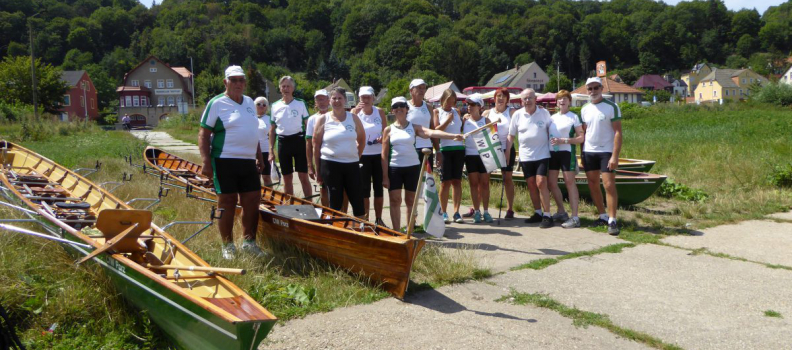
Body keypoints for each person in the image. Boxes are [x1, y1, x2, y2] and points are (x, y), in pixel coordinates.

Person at [198, 65, 267, 260]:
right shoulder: (217, 103)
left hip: (247, 162)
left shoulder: (249, 102)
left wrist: (259, 157)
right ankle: (227, 245)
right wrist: (206, 162)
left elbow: (252, 131)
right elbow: (204, 134)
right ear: (225, 82)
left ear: (245, 82)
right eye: (233, 80)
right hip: (224, 160)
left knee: (252, 201)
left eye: (241, 80)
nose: (238, 83)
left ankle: (249, 242)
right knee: (227, 202)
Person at [381, 97, 464, 231]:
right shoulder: (388, 130)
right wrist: (385, 176)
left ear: (407, 109)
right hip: (394, 168)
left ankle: (409, 231)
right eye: (395, 106)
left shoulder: (414, 128)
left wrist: (453, 136)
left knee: (410, 201)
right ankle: (396, 232)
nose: (399, 108)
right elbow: (384, 155)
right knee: (395, 200)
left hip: (412, 167)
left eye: (402, 105)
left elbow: (432, 132)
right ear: (392, 110)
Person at [312, 87, 366, 217]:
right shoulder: (323, 119)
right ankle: (336, 228)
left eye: (340, 98)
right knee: (335, 202)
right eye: (334, 98)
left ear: (345, 100)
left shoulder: (353, 118)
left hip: (351, 164)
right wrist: (317, 170)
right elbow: (316, 144)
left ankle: (360, 230)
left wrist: (356, 156)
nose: (337, 101)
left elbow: (362, 139)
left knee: (357, 200)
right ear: (330, 100)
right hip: (330, 164)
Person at [580, 77, 623, 235]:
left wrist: (615, 156)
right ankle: (602, 215)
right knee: (592, 184)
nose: (593, 91)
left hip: (606, 151)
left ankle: (612, 220)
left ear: (601, 88)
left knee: (609, 185)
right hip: (589, 151)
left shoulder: (612, 107)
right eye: (590, 89)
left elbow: (618, 132)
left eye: (596, 88)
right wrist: (581, 153)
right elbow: (584, 132)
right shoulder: (584, 109)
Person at [507, 88, 553, 228]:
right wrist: (507, 151)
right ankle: (538, 212)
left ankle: (547, 215)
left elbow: (552, 131)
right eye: (525, 99)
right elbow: (511, 135)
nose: (527, 101)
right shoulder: (517, 115)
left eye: (530, 98)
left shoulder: (544, 113)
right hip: (526, 156)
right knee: (531, 184)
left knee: (541, 183)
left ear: (535, 99)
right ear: (521, 101)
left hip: (542, 154)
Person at [269, 76, 313, 198]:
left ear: (293, 88)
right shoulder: (275, 106)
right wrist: (270, 150)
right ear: (280, 88)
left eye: (288, 86)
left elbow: (307, 124)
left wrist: (311, 144)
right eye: (283, 86)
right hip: (283, 142)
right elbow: (272, 129)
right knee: (287, 177)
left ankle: (310, 204)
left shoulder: (300, 103)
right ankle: (290, 206)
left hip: (299, 141)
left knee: (303, 176)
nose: (286, 89)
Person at [547, 90, 585, 228]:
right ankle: (562, 211)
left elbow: (581, 138)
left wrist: (564, 140)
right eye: (559, 99)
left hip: (567, 153)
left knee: (570, 183)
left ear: (569, 101)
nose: (562, 101)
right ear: (556, 102)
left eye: (565, 99)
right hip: (552, 154)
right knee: (551, 183)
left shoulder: (573, 117)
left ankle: (575, 217)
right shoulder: (551, 118)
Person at [351, 86, 387, 226]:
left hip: (378, 155)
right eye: (363, 97)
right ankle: (365, 220)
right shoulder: (355, 113)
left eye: (368, 97)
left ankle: (378, 219)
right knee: (364, 190)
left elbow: (385, 131)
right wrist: (355, 112)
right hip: (362, 154)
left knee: (378, 188)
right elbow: (351, 131)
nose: (365, 100)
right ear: (359, 98)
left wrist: (381, 137)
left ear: (373, 98)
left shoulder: (380, 112)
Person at [482, 87, 517, 219]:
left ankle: (510, 209)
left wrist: (507, 150)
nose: (501, 98)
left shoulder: (512, 112)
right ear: (494, 98)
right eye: (498, 96)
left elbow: (513, 132)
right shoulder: (487, 113)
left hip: (506, 148)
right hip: (491, 148)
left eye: (503, 96)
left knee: (507, 179)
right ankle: (483, 209)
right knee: (485, 179)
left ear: (507, 99)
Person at [432, 89, 465, 224]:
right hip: (445, 149)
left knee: (457, 181)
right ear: (444, 99)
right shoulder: (437, 111)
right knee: (445, 182)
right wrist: (447, 120)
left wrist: (464, 119)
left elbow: (460, 129)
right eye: (449, 101)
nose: (451, 103)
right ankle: (443, 212)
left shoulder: (456, 111)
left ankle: (456, 212)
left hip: (459, 149)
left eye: (453, 101)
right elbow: (435, 130)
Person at [462, 94, 493, 223]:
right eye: (468, 104)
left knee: (485, 184)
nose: (469, 107)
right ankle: (477, 211)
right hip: (470, 155)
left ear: (480, 107)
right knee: (473, 184)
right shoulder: (465, 120)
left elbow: (493, 139)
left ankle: (486, 211)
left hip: (484, 155)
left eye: (473, 104)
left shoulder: (486, 121)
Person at [306, 89, 331, 206]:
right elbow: (309, 143)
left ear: (328, 100)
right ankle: (326, 213)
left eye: (323, 99)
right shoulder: (312, 119)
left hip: (335, 157)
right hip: (320, 159)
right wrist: (310, 166)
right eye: (318, 99)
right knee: (323, 188)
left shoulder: (336, 116)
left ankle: (341, 215)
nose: (321, 102)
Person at [406, 79, 438, 171]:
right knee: (413, 182)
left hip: (426, 149)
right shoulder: (404, 107)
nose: (422, 90)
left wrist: (438, 150)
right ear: (411, 90)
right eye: (419, 88)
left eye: (424, 88)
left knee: (426, 181)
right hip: (410, 148)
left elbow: (433, 130)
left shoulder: (428, 107)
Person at [255, 96, 273, 186]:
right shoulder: (250, 117)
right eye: (258, 104)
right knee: (254, 176)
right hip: (251, 150)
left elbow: (273, 135)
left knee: (266, 177)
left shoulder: (269, 119)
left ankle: (269, 197)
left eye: (264, 104)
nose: (261, 106)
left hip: (265, 150)